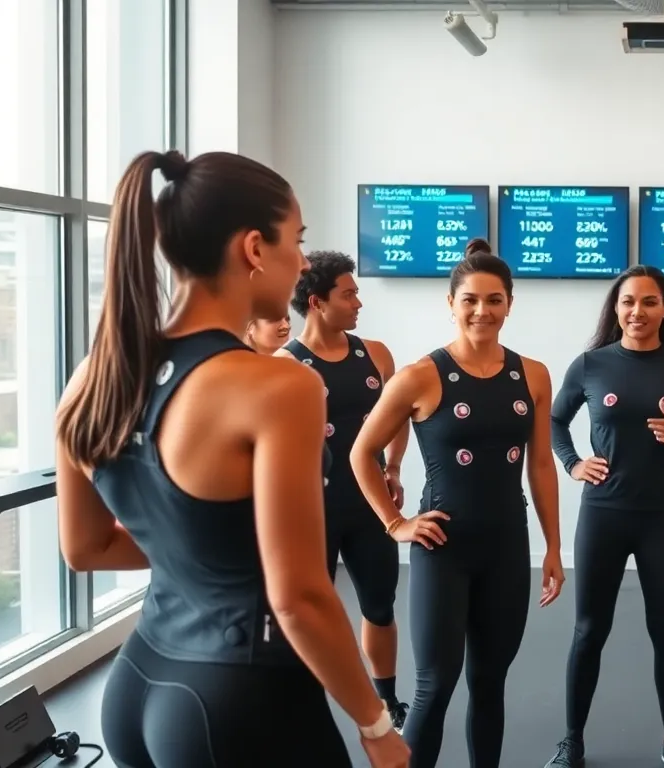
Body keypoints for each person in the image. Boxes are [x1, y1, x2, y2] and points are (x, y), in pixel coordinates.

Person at [54, 150, 408, 767]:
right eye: (296, 242)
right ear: (254, 249)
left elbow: (86, 548)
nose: (302, 264)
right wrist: (375, 724)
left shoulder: (95, 374)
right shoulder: (279, 386)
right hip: (237, 700)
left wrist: (204, 549)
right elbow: (299, 598)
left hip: (137, 683)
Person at [351, 251, 565, 768]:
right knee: (434, 685)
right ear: (451, 303)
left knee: (490, 682)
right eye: (470, 300)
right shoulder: (419, 376)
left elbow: (540, 465)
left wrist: (554, 546)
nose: (482, 311)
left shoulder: (533, 375)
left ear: (509, 304)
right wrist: (395, 524)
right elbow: (361, 451)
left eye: (494, 300)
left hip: (506, 547)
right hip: (442, 549)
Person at [543, 265, 664, 768]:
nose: (637, 311)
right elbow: (554, 420)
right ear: (616, 308)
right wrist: (573, 462)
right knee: (589, 631)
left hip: (662, 518)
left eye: (649, 302)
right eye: (628, 301)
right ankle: (572, 741)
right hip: (602, 515)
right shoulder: (591, 364)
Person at [281, 251, 410, 730]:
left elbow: (398, 415)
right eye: (349, 294)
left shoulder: (375, 354)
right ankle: (306, 708)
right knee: (309, 615)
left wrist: (393, 467)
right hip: (314, 510)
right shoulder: (285, 365)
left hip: (370, 507)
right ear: (317, 302)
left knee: (380, 605)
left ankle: (388, 701)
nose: (359, 302)